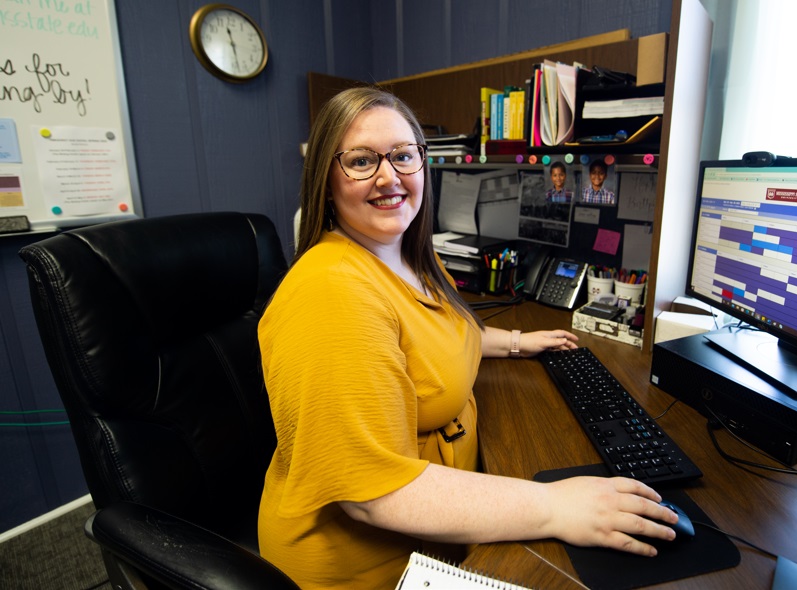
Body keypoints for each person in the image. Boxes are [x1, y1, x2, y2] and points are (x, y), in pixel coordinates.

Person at [257, 86, 679, 589]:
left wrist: (519, 343)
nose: (389, 176)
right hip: (368, 567)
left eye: (402, 156)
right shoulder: (331, 295)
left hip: (436, 534)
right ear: (325, 179)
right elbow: (370, 493)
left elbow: (442, 334)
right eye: (362, 160)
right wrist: (554, 505)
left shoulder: (407, 253)